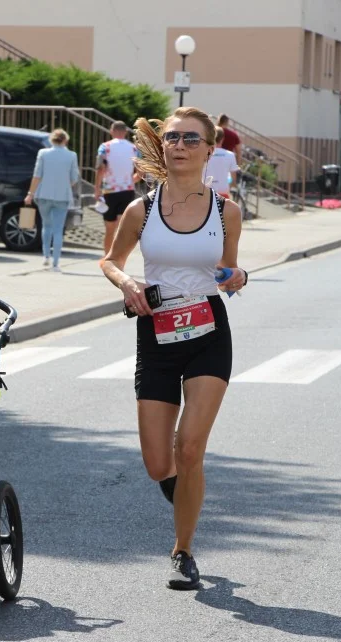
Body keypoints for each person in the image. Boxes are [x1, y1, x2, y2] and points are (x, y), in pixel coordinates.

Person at [99, 107, 247, 591]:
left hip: (208, 331)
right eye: (173, 137)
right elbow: (110, 260)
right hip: (156, 333)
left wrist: (238, 277)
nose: (180, 144)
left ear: (210, 149)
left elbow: (231, 269)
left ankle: (183, 551)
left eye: (191, 138)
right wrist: (126, 282)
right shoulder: (140, 210)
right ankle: (184, 491)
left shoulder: (227, 212)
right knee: (158, 463)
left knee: (190, 448)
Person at [24, 128, 79, 272]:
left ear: (52, 140)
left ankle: (46, 256)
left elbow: (37, 175)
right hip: (62, 195)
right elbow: (74, 178)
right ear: (65, 140)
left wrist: (30, 193)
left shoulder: (43, 153)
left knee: (46, 226)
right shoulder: (71, 155)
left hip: (43, 194)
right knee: (58, 229)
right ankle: (55, 263)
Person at [95, 121, 140, 254]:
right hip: (127, 190)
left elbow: (100, 167)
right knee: (122, 228)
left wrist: (97, 188)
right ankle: (119, 258)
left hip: (110, 190)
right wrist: (133, 180)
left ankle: (107, 258)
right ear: (125, 132)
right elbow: (142, 171)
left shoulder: (105, 147)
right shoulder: (134, 149)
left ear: (111, 131)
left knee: (109, 228)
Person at [204, 127, 239, 198]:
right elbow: (233, 178)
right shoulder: (230, 155)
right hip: (223, 194)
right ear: (222, 139)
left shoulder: (203, 154)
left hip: (205, 193)